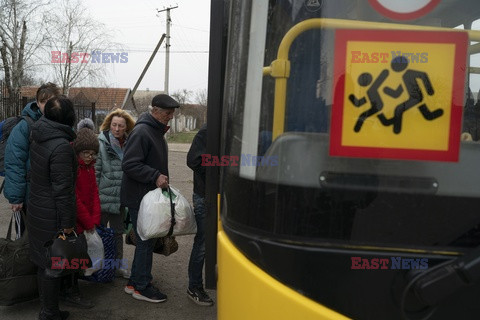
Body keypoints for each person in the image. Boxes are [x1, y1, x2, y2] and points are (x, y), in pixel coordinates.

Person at [121, 94, 179, 303]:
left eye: (172, 113)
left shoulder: (153, 130)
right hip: (140, 198)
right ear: (154, 110)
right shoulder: (143, 131)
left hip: (146, 198)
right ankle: (142, 287)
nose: (170, 117)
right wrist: (155, 176)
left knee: (145, 240)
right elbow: (129, 164)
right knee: (146, 241)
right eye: (167, 113)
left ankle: (135, 282)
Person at [27, 96, 77, 320]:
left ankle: (49, 310)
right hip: (52, 212)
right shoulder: (61, 146)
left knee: (42, 259)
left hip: (38, 206)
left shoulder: (39, 135)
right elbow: (63, 190)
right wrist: (67, 224)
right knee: (52, 263)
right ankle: (49, 313)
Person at [4, 82, 61, 235]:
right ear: (37, 103)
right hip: (30, 197)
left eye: (51, 101)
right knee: (27, 242)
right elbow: (15, 161)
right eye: (43, 102)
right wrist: (16, 198)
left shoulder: (62, 124)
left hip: (53, 196)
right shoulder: (25, 126)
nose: (46, 105)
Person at [59, 118, 101, 309]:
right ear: (78, 151)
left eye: (92, 154)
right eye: (86, 153)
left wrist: (95, 218)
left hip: (86, 221)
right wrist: (88, 220)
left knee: (80, 255)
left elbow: (94, 194)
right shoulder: (74, 168)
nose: (89, 157)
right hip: (75, 221)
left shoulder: (90, 168)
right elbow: (74, 198)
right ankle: (70, 290)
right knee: (71, 256)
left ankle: (74, 287)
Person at [95, 109, 135, 279]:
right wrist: (94, 197)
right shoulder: (100, 142)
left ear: (126, 127)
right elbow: (95, 171)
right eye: (114, 125)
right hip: (102, 197)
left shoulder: (130, 143)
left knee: (118, 234)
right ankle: (100, 267)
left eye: (121, 125)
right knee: (100, 234)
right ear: (109, 125)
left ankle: (117, 267)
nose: (117, 129)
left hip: (120, 198)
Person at [186, 123, 214, 306]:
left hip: (223, 195)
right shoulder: (207, 131)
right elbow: (193, 160)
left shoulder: (234, 128)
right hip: (205, 197)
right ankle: (194, 287)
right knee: (203, 243)